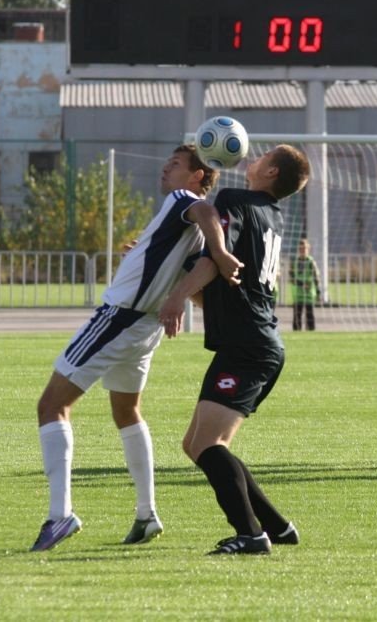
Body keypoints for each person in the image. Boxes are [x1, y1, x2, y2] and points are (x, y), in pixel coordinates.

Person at [29, 144, 242, 552]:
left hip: (118, 320)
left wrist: (222, 251)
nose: (165, 168)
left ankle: (61, 516)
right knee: (127, 411)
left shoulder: (188, 201)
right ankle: (146, 514)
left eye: (176, 164)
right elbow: (196, 278)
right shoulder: (188, 232)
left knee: (51, 406)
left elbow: (207, 212)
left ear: (197, 176)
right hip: (146, 327)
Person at [158, 144, 311, 555]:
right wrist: (183, 289)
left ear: (272, 172)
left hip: (249, 346)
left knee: (208, 445)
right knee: (197, 445)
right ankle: (277, 527)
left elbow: (213, 260)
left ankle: (250, 535)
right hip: (252, 344)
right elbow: (225, 281)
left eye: (263, 157)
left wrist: (175, 296)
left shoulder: (233, 200)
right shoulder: (273, 215)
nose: (254, 157)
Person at [289, 238, 320, 331]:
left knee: (310, 314)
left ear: (308, 249)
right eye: (301, 249)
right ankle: (296, 332)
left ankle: (311, 332)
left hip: (308, 292)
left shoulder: (311, 262)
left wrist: (318, 291)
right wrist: (302, 284)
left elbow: (316, 276)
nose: (302, 250)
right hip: (298, 293)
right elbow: (291, 276)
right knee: (297, 315)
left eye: (304, 248)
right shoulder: (295, 262)